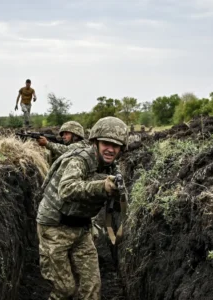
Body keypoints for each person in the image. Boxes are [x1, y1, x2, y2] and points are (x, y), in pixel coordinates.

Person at [36, 116, 128, 300]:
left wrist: (117, 194)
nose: (110, 149)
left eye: (116, 145)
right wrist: (102, 186)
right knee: (65, 290)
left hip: (81, 229)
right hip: (54, 227)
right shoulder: (80, 160)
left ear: (121, 149)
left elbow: (117, 204)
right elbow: (67, 189)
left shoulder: (112, 167)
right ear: (96, 142)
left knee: (91, 288)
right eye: (106, 143)